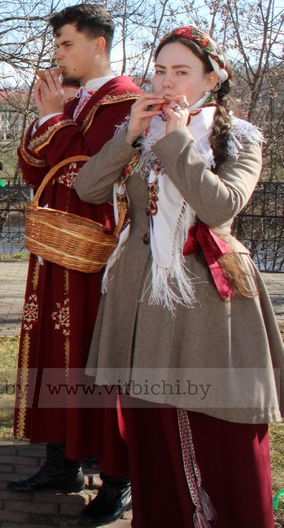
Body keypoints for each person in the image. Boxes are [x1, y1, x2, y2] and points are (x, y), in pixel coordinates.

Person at [74, 26, 284, 527]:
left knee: (214, 431)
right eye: (160, 71)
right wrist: (128, 135)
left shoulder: (238, 139)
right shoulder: (139, 135)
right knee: (151, 433)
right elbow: (88, 188)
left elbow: (220, 206)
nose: (167, 83)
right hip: (139, 301)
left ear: (212, 80)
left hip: (206, 306)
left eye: (182, 72)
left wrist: (176, 140)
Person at [11, 4, 138, 526]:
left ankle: (115, 480)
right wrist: (48, 117)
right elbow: (31, 169)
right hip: (55, 249)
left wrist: (52, 119)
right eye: (57, 45)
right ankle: (61, 462)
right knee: (54, 351)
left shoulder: (125, 100)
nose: (58, 54)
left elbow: (86, 172)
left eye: (66, 44)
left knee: (94, 356)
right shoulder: (74, 100)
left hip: (95, 251)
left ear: (98, 44)